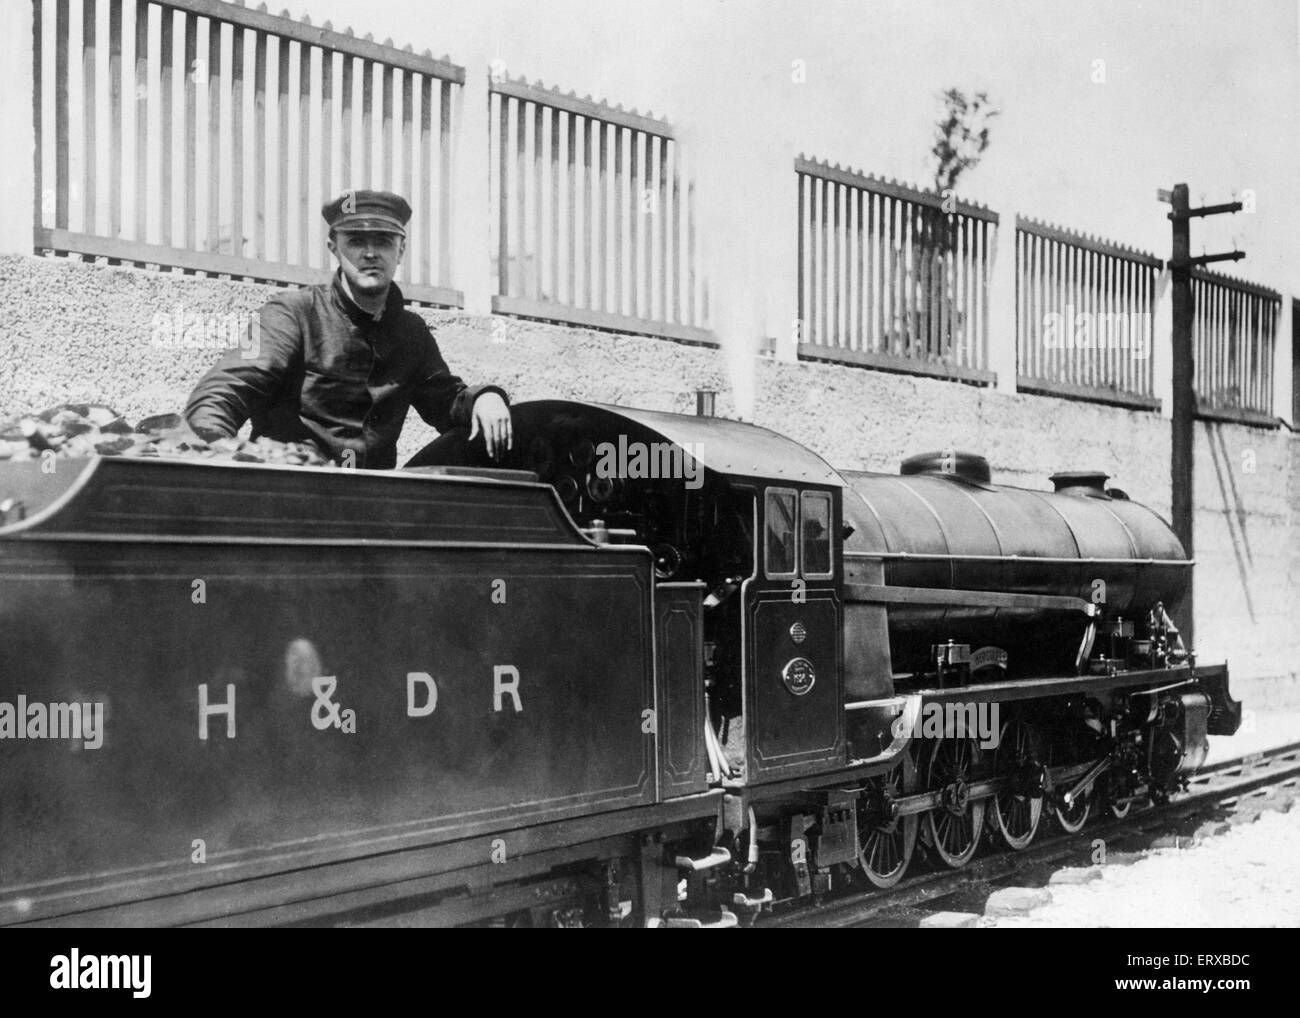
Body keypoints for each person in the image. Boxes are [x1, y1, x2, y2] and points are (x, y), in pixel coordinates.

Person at [184, 189, 512, 470]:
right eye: (356, 241)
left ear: (401, 250)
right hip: (293, 492)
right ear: (334, 248)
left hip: (370, 500)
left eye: (383, 241)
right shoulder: (293, 314)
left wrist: (484, 397)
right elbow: (225, 390)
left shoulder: (411, 332)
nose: (370, 253)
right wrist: (213, 452)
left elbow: (446, 402)